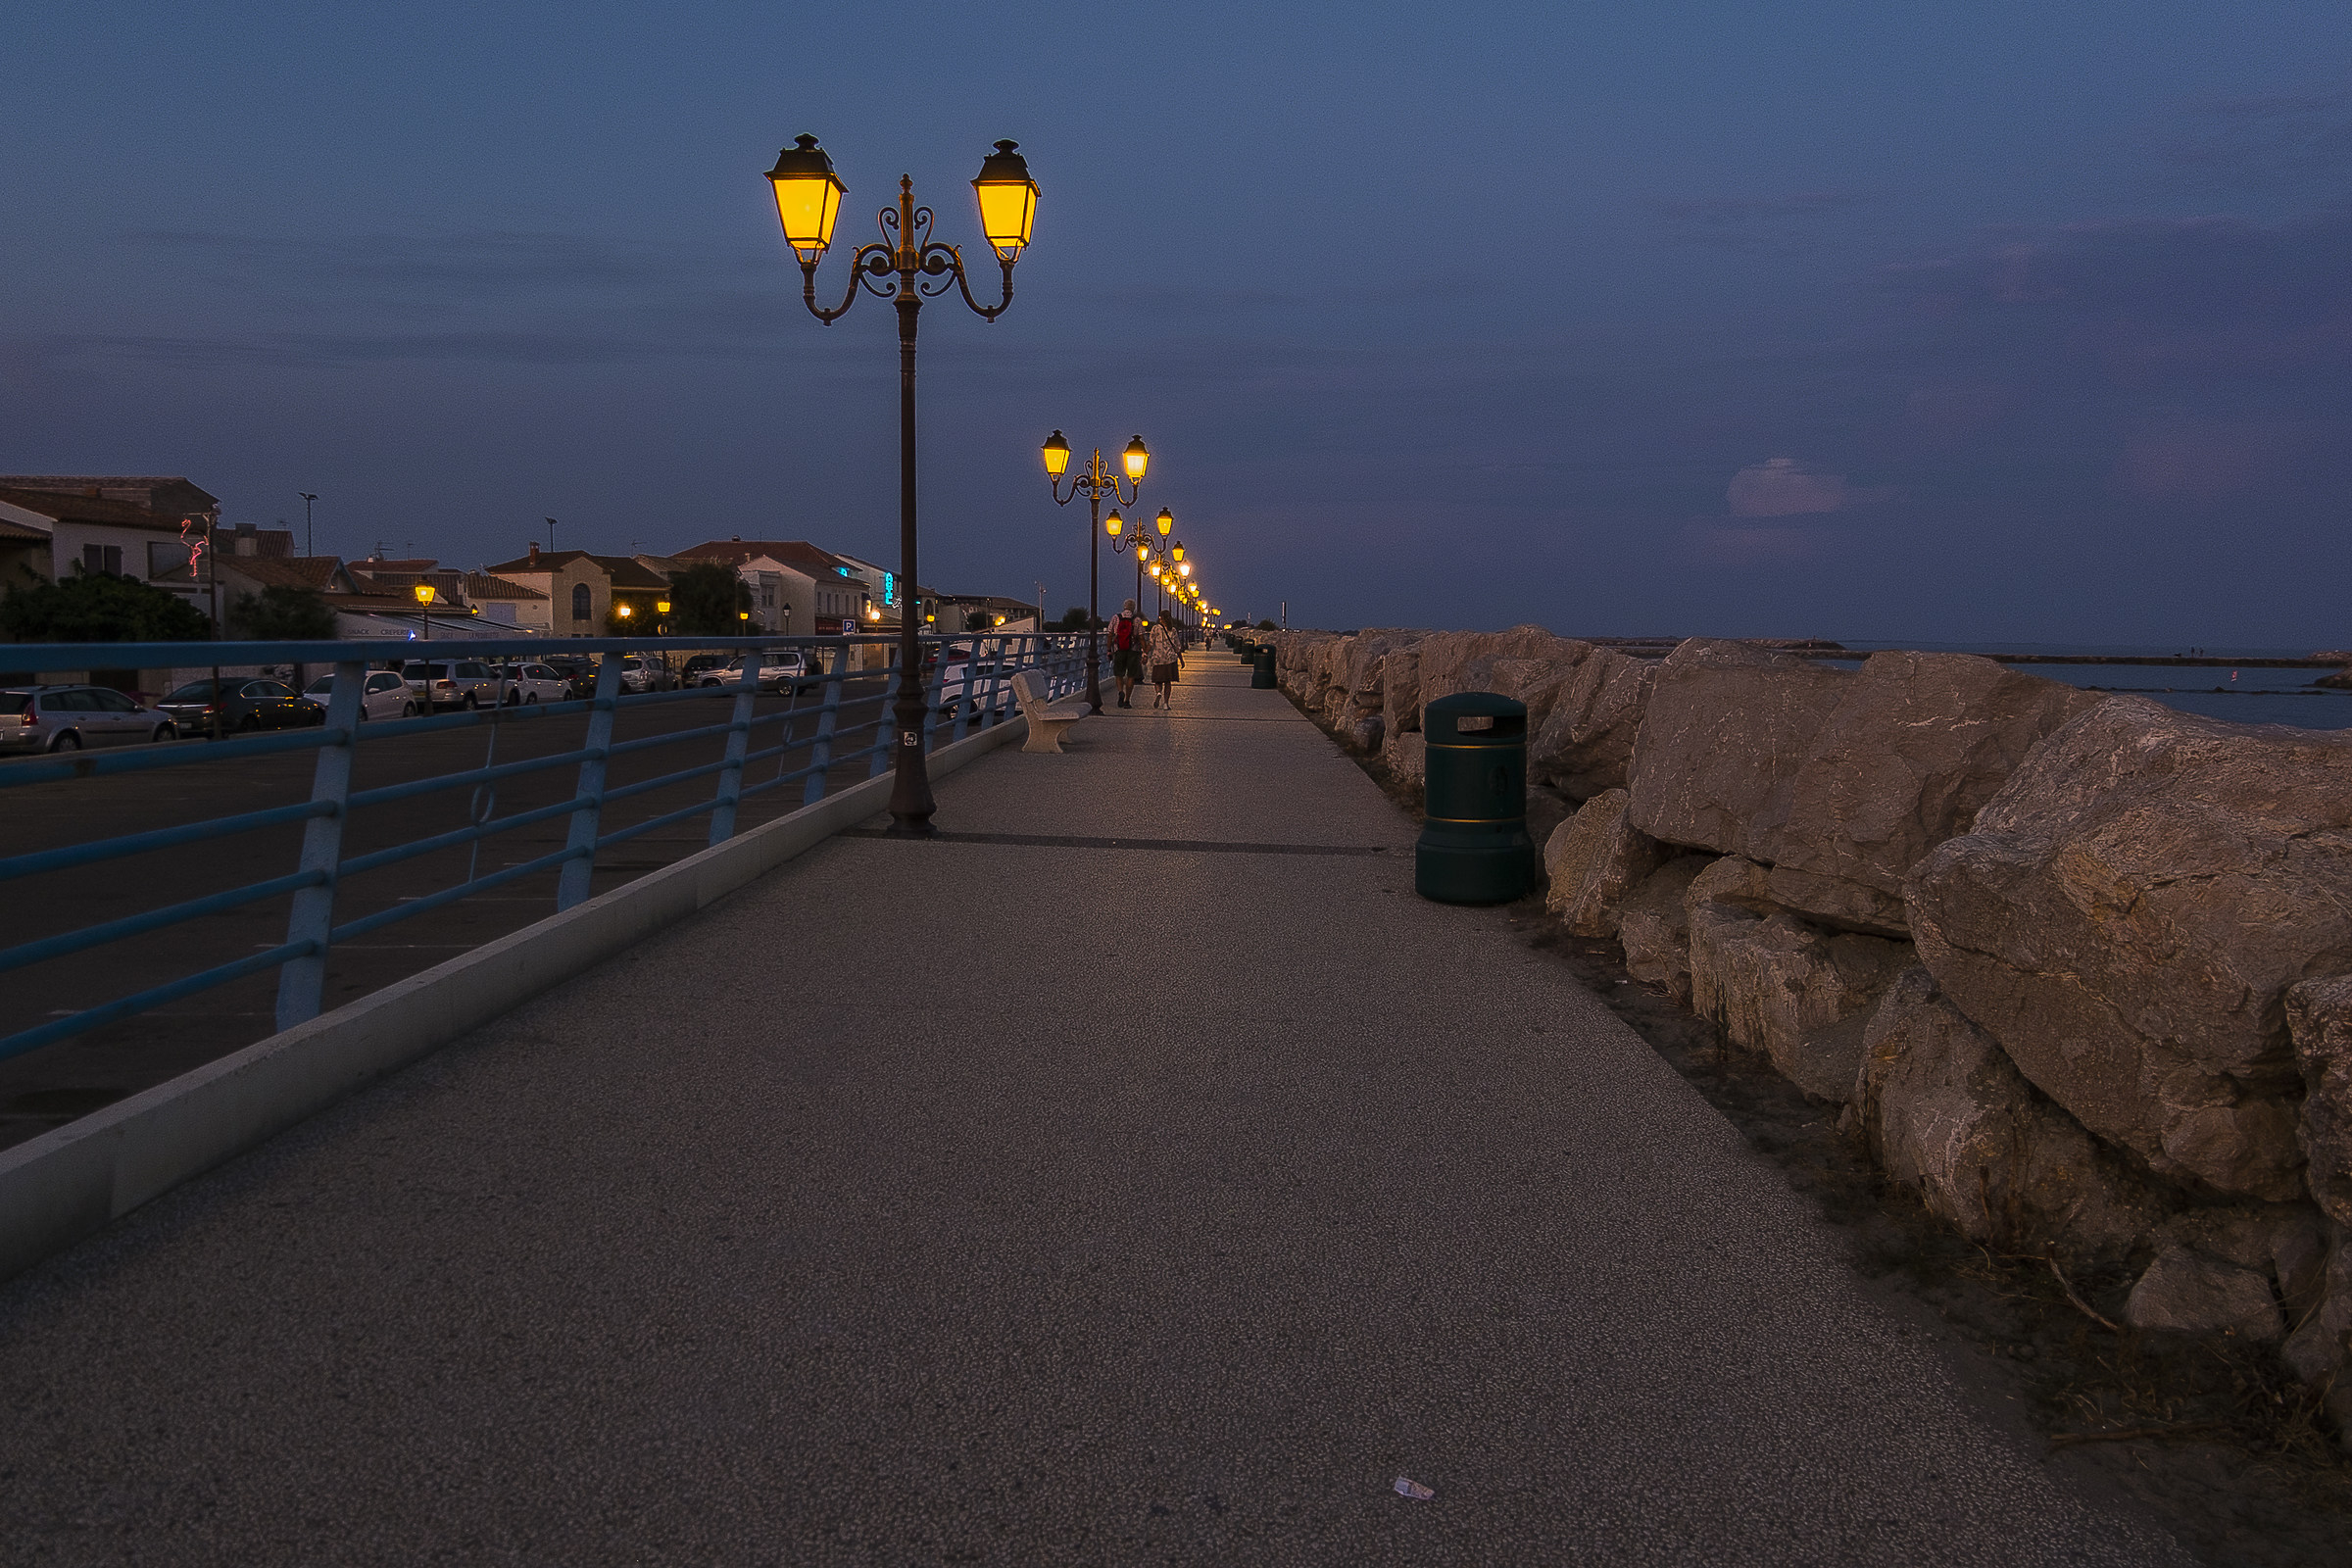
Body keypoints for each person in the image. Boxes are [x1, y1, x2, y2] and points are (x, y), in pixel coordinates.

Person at [1147, 609, 1185, 710]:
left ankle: (1158, 692)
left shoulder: (1155, 628)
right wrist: (1181, 660)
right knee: (1168, 682)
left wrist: (1145, 654)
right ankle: (1166, 704)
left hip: (1158, 658)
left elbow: (1150, 643)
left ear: (1161, 618)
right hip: (1170, 659)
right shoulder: (1173, 630)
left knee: (1157, 680)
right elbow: (1177, 647)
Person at [1108, 598, 1143, 708]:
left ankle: (1120, 692)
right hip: (1133, 650)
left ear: (1124, 607)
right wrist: (1144, 652)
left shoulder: (1116, 618)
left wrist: (1109, 650)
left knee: (1119, 674)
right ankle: (1127, 700)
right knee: (1131, 676)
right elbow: (1141, 637)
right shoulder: (1137, 620)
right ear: (1133, 608)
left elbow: (1110, 634)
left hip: (1119, 649)